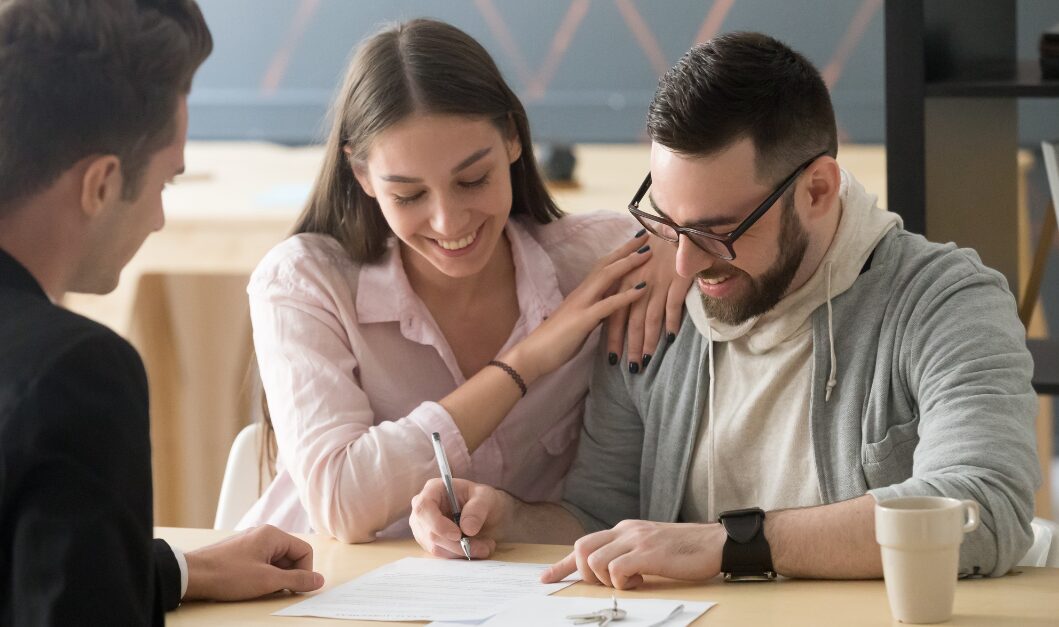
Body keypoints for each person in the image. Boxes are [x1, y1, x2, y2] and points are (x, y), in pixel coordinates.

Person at [408, 32, 1040, 587]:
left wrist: (730, 544)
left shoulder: (944, 301)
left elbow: (985, 508)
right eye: (667, 223)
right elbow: (604, 516)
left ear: (817, 190)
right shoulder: (653, 309)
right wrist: (509, 516)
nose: (682, 266)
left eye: (716, 231)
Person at [237, 18, 690, 543]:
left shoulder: (600, 263)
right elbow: (341, 504)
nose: (449, 223)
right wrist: (525, 361)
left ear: (514, 140)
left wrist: (674, 239)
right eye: (408, 195)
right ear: (362, 176)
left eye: (474, 179)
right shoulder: (303, 283)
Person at [0, 1, 323, 624]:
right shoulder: (77, 372)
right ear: (100, 184)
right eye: (165, 183)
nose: (159, 218)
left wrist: (182, 568)